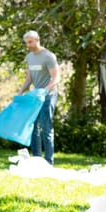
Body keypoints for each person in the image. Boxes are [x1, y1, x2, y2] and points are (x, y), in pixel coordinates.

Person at [17, 31, 60, 165]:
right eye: (26, 43)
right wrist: (21, 91)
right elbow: (29, 77)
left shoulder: (48, 56)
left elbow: (56, 78)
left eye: (30, 42)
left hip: (49, 96)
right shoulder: (29, 57)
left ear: (37, 40)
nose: (28, 45)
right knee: (33, 127)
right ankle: (36, 160)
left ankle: (48, 162)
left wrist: (45, 91)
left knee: (46, 127)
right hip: (35, 96)